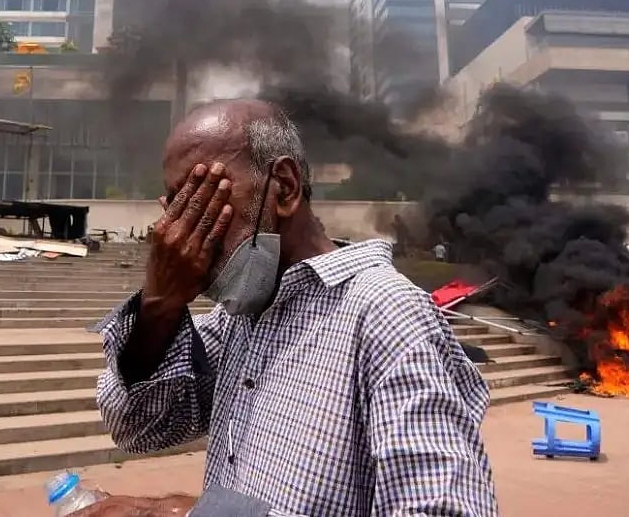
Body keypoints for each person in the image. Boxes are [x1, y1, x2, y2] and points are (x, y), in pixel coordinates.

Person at [81, 100, 497, 516]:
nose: (174, 234)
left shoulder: (385, 314)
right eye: (173, 209)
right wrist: (159, 305)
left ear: (284, 187)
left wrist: (181, 514)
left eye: (198, 199)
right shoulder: (239, 318)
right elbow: (140, 427)